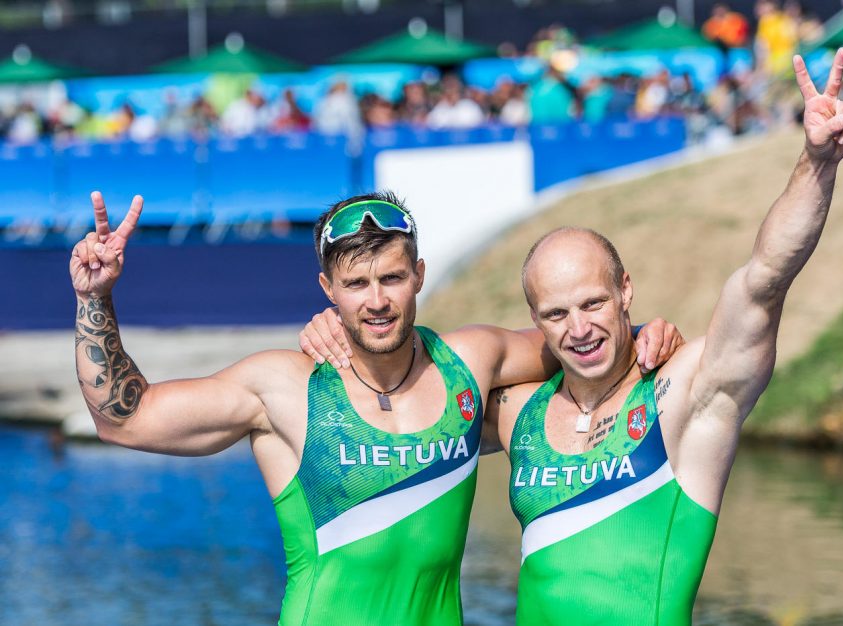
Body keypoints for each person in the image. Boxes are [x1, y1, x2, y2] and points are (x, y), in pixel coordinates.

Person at [303, 47, 843, 626]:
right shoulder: (517, 414)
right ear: (536, 322)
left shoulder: (685, 400)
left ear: (626, 291)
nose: (580, 329)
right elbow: (396, 403)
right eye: (557, 313)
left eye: (593, 304)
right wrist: (341, 332)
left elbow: (764, 279)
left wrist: (816, 162)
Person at [70, 190, 680, 624]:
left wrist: (647, 332)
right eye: (357, 285)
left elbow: (573, 340)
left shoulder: (470, 361)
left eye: (391, 278)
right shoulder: (287, 387)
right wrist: (95, 298)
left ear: (418, 275)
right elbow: (124, 418)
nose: (377, 300)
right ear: (328, 292)